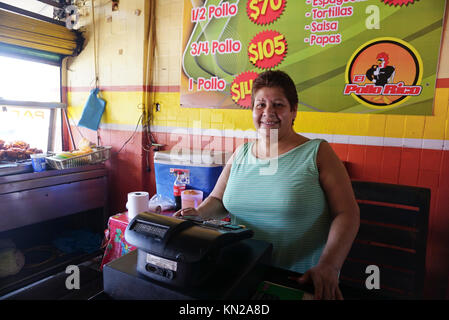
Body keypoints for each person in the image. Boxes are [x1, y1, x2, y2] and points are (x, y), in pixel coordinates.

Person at [174, 70, 360, 300]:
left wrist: (330, 266)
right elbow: (218, 199)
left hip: (298, 281)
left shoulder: (317, 153)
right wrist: (197, 214)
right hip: (241, 273)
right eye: (260, 104)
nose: (268, 112)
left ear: (293, 111)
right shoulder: (241, 154)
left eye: (278, 104)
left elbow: (347, 213)